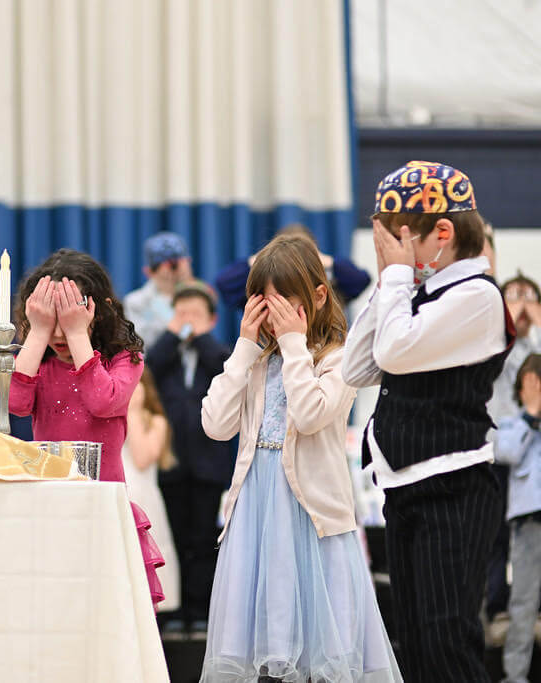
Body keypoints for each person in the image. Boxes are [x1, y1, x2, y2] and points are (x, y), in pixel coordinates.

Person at [201, 233, 400, 681]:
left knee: (324, 650)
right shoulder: (254, 360)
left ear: (317, 296)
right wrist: (245, 348)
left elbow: (310, 415)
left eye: (284, 302)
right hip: (255, 513)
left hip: (314, 520)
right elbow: (215, 424)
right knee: (260, 645)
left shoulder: (339, 358)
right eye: (262, 303)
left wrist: (293, 346)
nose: (274, 316)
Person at [342, 160, 513, 681]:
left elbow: (393, 351)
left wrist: (394, 277)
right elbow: (357, 366)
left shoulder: (478, 296)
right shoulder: (410, 293)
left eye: (398, 242)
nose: (392, 257)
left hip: (454, 486)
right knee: (414, 643)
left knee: (447, 642)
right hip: (405, 482)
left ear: (442, 233)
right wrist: (389, 280)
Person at [8, 249, 164, 608]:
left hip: (104, 502)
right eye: (51, 321)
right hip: (51, 504)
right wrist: (37, 334)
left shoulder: (126, 359)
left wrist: (79, 337)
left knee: (107, 604)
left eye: (72, 319)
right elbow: (16, 403)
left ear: (98, 311)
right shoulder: (39, 360)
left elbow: (103, 401)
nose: (60, 333)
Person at [146, 279, 232, 634]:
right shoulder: (164, 354)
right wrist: (172, 335)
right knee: (175, 538)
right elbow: (147, 368)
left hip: (210, 461)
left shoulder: (219, 352)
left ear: (212, 320)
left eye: (196, 314)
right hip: (170, 460)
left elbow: (226, 368)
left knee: (204, 539)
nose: (188, 320)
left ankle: (202, 610)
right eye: (181, 313)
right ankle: (174, 610)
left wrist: (200, 336)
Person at [484, 273, 541, 639]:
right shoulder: (493, 343)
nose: (521, 305)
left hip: (533, 453)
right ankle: (496, 606)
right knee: (495, 538)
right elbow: (503, 363)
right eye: (513, 297)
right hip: (497, 449)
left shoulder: (535, 349)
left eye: (529, 297)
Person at [494, 354, 541, 683]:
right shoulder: (509, 422)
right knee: (523, 604)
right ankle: (515, 677)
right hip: (528, 524)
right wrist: (531, 414)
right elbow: (505, 452)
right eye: (530, 380)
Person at [122, 368, 181, 614]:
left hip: (144, 502)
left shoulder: (156, 422)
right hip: (121, 498)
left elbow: (143, 458)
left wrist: (134, 412)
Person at [214, 223, 372, 311]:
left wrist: (321, 260)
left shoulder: (327, 280)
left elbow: (361, 280)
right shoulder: (264, 283)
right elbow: (224, 282)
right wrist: (266, 257)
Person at [123, 232, 193, 349]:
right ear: (149, 271)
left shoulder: (197, 296)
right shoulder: (136, 302)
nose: (175, 270)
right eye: (171, 265)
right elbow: (141, 346)